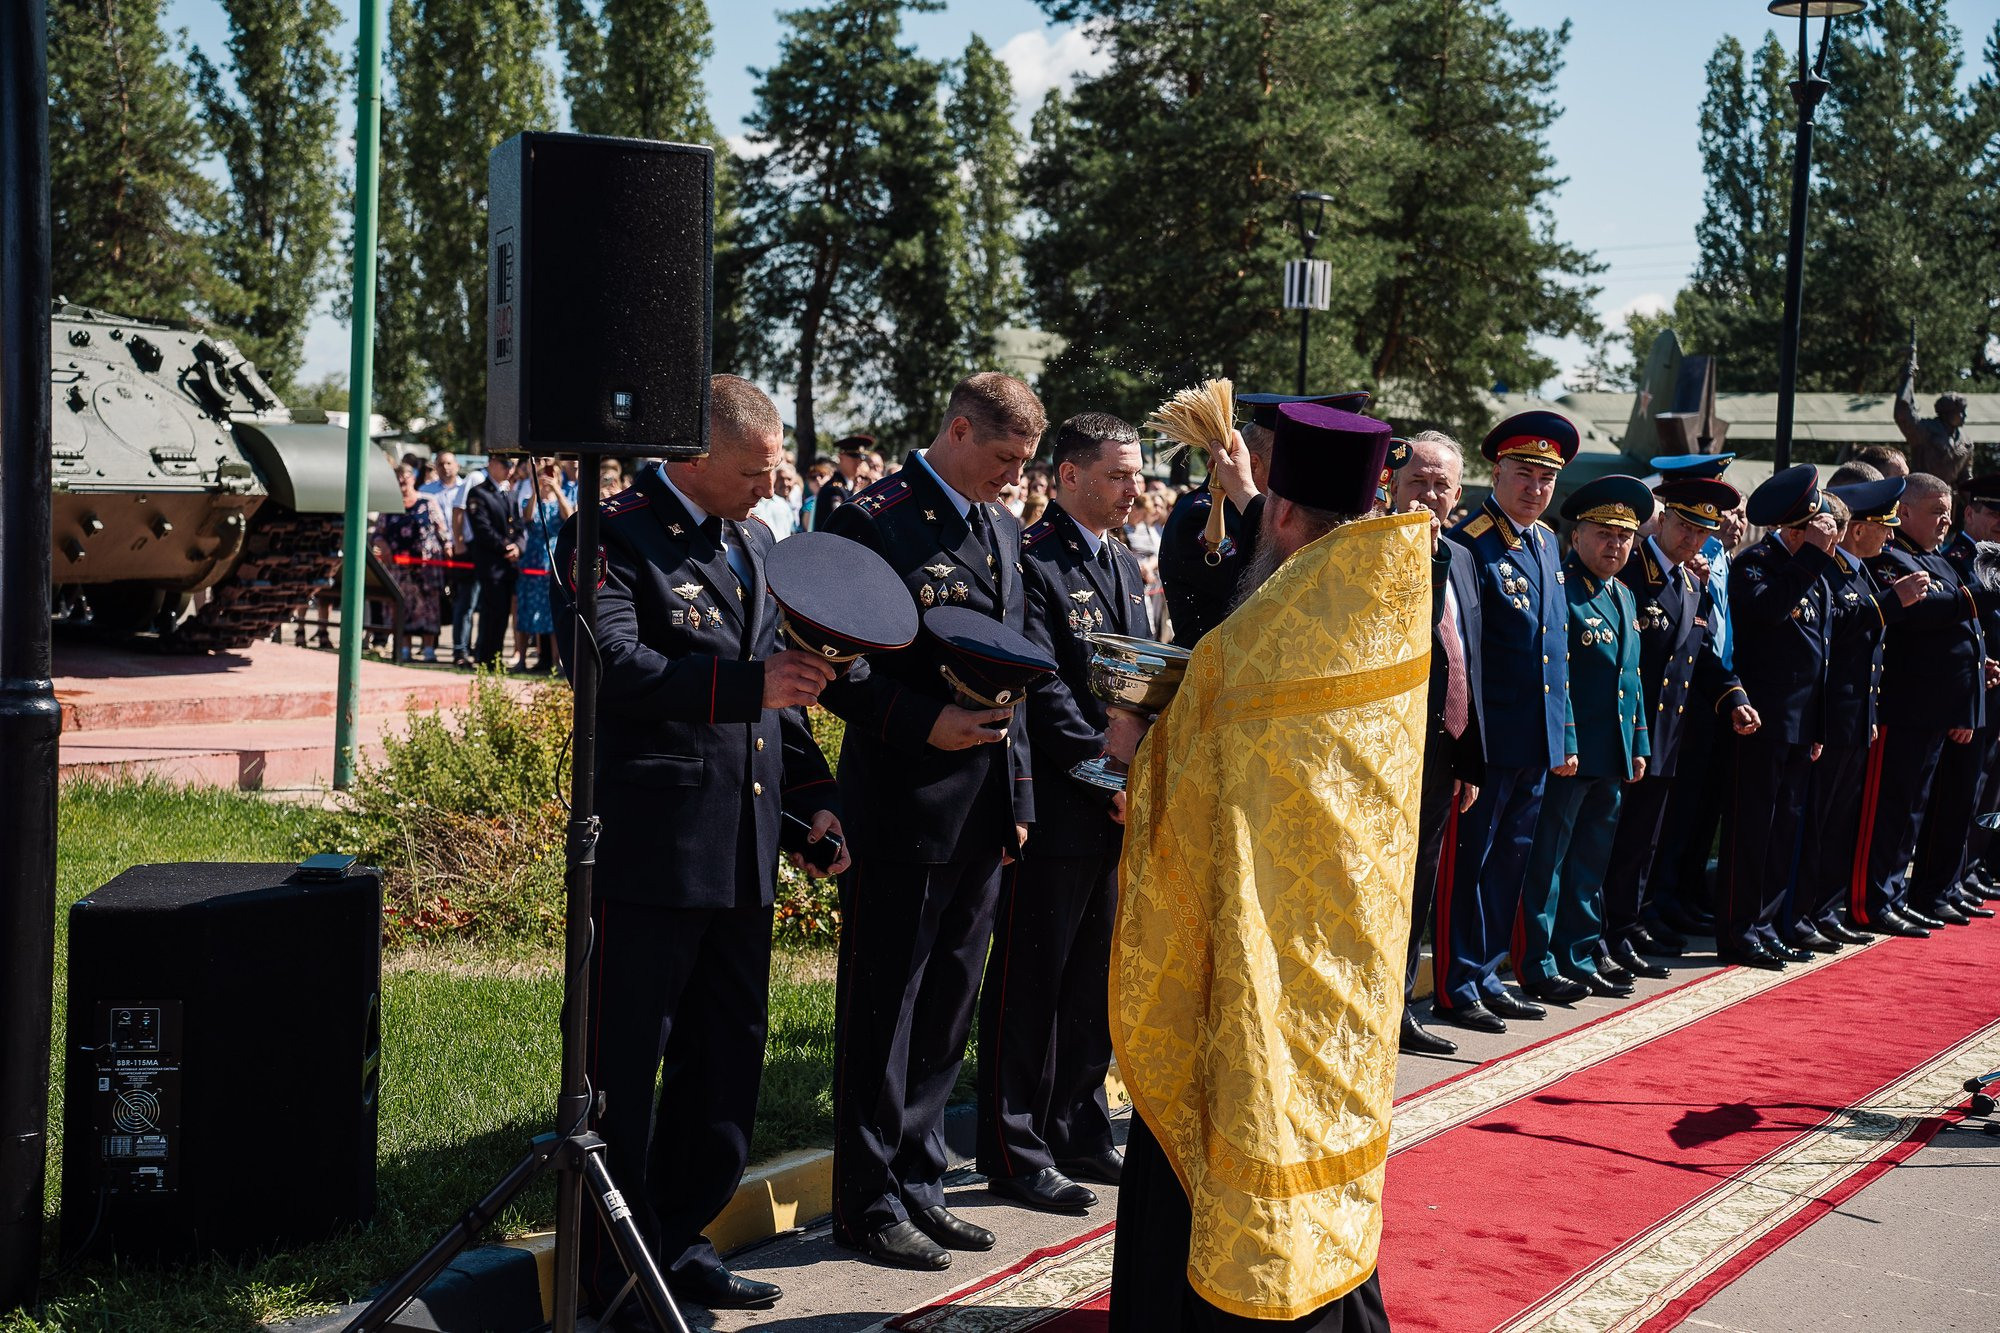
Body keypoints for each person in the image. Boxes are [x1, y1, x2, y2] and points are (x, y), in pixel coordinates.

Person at [1107, 401, 1416, 1333]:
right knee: (1325, 1116)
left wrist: (1135, 749)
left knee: (1237, 1113)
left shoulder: (1251, 646)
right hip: (1347, 943)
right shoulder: (1387, 606)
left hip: (1255, 953)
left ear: (1280, 515)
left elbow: (1176, 778)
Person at [549, 375, 850, 1324]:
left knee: (725, 1066)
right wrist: (748, 685)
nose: (771, 488)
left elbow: (781, 695)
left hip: (742, 851)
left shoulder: (752, 542)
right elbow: (613, 667)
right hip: (652, 849)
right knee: (629, 1068)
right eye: (754, 470)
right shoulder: (609, 536)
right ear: (691, 456)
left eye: (774, 471)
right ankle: (615, 1268)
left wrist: (816, 805)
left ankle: (680, 1241)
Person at [819, 373, 1045, 1271]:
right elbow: (833, 659)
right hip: (903, 803)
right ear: (957, 429)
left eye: (1025, 464)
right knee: (887, 1009)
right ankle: (867, 1201)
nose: (1014, 478)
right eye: (1003, 459)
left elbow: (1019, 667)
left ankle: (918, 1179)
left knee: (948, 1007)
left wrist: (1018, 794)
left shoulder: (999, 524)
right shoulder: (874, 519)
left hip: (983, 808)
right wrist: (926, 723)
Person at [976, 412, 1150, 1215]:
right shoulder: (1039, 560)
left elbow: (1141, 679)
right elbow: (1041, 690)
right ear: (1069, 476)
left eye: (1136, 474)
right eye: (1116, 474)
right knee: (1031, 984)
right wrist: (1106, 770)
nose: (1132, 488)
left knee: (1093, 980)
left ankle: (1077, 1121)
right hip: (1056, 803)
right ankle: (1015, 1143)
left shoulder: (1117, 557)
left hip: (1116, 806)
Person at [1431, 411, 1578, 1035]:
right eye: (1524, 474)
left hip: (1534, 738)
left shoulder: (1547, 543)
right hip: (1486, 739)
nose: (1536, 488)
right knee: (1470, 864)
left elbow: (1554, 650)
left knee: (1509, 863)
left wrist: (1562, 734)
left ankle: (1489, 974)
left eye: (1546, 478)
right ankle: (1456, 981)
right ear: (1498, 471)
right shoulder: (1470, 540)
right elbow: (1463, 648)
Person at [1598, 476, 1756, 981]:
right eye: (1684, 525)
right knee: (1611, 842)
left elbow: (1700, 655)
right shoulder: (1631, 571)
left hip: (1667, 734)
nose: (1691, 539)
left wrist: (1733, 696)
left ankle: (1626, 923)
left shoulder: (1692, 582)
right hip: (1625, 731)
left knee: (1645, 841)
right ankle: (1599, 934)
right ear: (1662, 519)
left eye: (1702, 531)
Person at [1515, 477, 1652, 1003]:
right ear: (1577, 537)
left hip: (1610, 753)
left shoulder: (1622, 594)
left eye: (1625, 537)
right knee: (1549, 861)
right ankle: (1539, 961)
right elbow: (1557, 674)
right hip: (1569, 754)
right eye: (1603, 534)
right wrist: (1565, 738)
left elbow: (1630, 678)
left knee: (1589, 865)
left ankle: (1580, 953)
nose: (1614, 546)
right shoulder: (1562, 588)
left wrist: (1638, 742)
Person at [1850, 471, 1995, 935]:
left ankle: (1894, 894)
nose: (1945, 520)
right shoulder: (1891, 558)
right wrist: (1979, 593)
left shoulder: (1936, 560)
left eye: (1948, 511)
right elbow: (1928, 611)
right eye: (1936, 511)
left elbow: (1958, 619)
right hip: (1904, 706)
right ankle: (1872, 899)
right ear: (1905, 512)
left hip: (1933, 708)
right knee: (1888, 809)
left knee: (1912, 809)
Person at [1792, 479, 1927, 947]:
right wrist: (1893, 602)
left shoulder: (1859, 571)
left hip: (1853, 715)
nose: (1890, 537)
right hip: (1830, 715)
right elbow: (1841, 628)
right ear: (1857, 530)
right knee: (1818, 820)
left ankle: (1825, 908)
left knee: (1839, 821)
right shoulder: (1830, 570)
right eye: (1882, 527)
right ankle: (1804, 910)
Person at [1385, 432, 1483, 1057]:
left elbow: (1468, 659)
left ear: (1458, 493)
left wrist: (1467, 757)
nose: (1428, 494)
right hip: (1383, 747)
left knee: (1419, 885)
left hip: (1442, 753)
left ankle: (1397, 1012)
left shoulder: (1464, 558)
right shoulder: (1367, 549)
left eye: (1440, 485)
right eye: (1417, 481)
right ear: (1393, 485)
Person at [1717, 465, 1837, 968]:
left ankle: (1764, 925)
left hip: (1799, 728)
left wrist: (1820, 728)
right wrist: (1809, 556)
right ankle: (1738, 929)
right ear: (1793, 529)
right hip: (1760, 724)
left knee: (1782, 831)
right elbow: (1766, 612)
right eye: (1810, 531)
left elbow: (1822, 654)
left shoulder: (1810, 570)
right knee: (1752, 831)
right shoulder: (1757, 565)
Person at [1156, 391, 1368, 647]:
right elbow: (1275, 591)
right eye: (1295, 468)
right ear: (1252, 465)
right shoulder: (1202, 515)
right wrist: (1246, 495)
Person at [1905, 474, 2000, 924]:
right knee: (1946, 795)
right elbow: (1950, 625)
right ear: (1972, 512)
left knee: (1973, 793)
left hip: (1980, 692)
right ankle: (1935, 884)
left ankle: (1957, 876)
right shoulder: (1954, 558)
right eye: (1993, 511)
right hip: (1949, 695)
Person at [370, 464, 451, 662]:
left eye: (405, 478)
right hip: (399, 568)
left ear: (413, 479)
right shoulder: (389, 504)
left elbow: (441, 530)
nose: (402, 483)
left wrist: (448, 550)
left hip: (426, 568)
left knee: (429, 607)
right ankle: (404, 648)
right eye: (398, 479)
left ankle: (428, 649)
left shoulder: (427, 501)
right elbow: (378, 533)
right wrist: (383, 545)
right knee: (402, 606)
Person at [514, 458, 575, 673]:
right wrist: (536, 491)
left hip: (555, 559)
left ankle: (558, 662)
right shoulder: (531, 500)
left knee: (553, 613)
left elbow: (568, 517)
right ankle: (521, 659)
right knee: (526, 611)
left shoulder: (564, 498)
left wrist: (557, 490)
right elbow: (527, 517)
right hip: (532, 561)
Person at [462, 454, 520, 667]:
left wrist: (518, 547)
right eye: (506, 465)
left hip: (508, 566)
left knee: (502, 614)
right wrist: (506, 547)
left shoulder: (508, 494)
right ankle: (486, 657)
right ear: (492, 464)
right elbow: (483, 529)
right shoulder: (479, 493)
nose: (510, 470)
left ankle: (493, 656)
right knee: (492, 612)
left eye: (512, 466)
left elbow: (519, 527)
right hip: (491, 564)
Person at [1895, 337, 1973, 484]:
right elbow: (1904, 414)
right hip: (1921, 491)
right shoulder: (1926, 429)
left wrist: (1976, 501)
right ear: (1947, 412)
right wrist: (1907, 377)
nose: (1964, 415)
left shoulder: (1966, 442)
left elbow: (1965, 477)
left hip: (1947, 498)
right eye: (1960, 411)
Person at [810, 434, 873, 531]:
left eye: (861, 458)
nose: (859, 462)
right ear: (841, 457)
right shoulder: (835, 490)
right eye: (854, 457)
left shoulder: (846, 486)